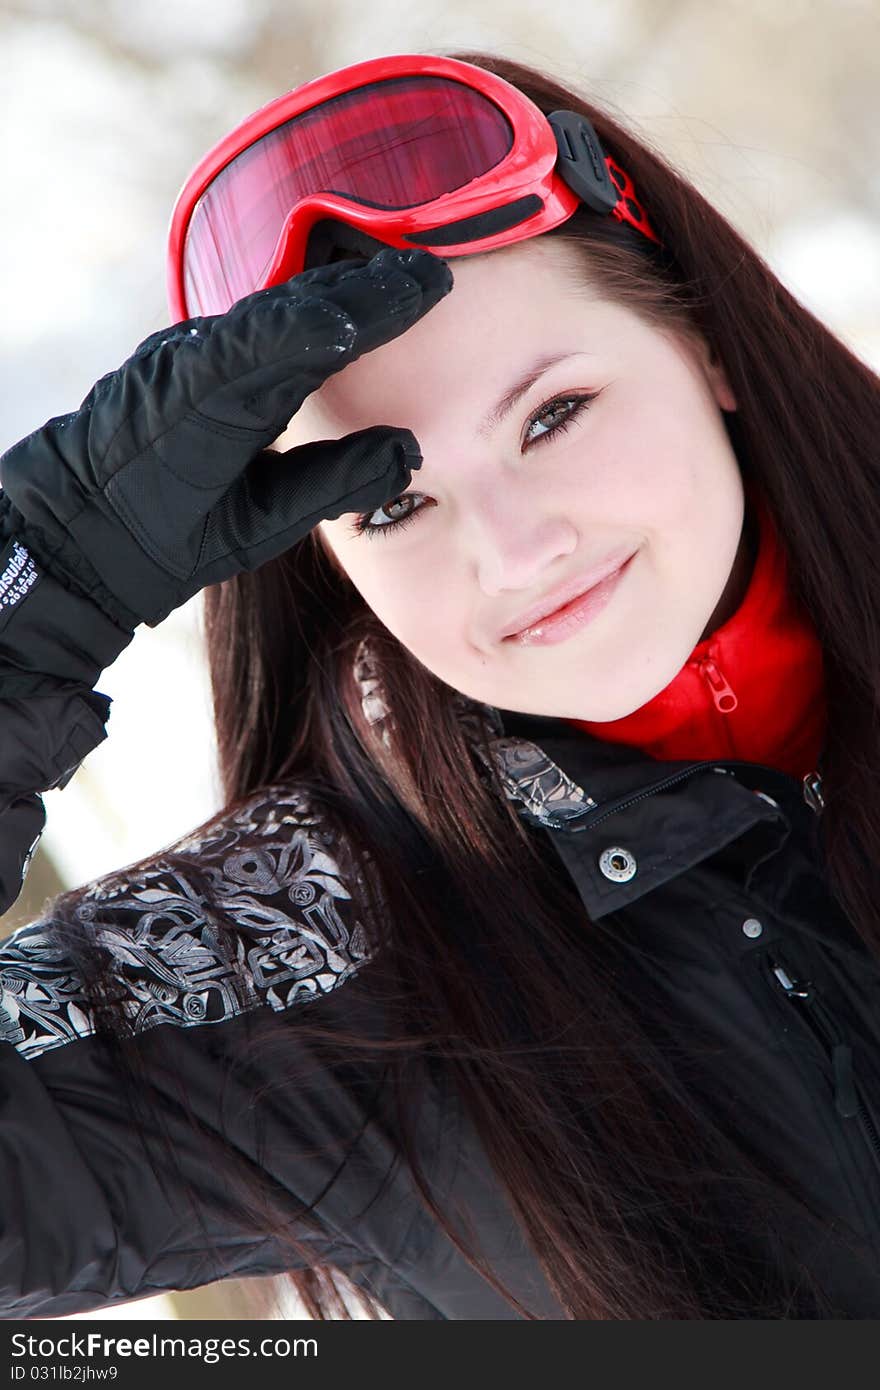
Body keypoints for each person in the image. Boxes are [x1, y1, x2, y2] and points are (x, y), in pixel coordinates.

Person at [0, 47, 878, 1323]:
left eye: (552, 414)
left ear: (703, 341)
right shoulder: (293, 949)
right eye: (395, 499)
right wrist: (38, 593)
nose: (517, 553)